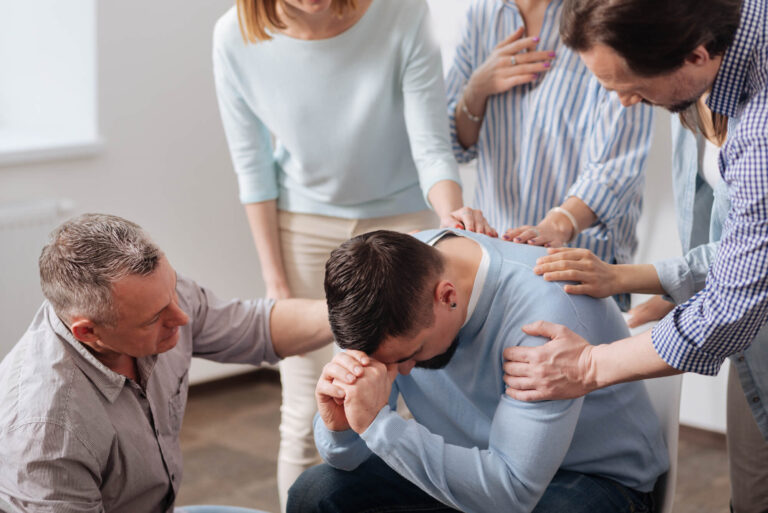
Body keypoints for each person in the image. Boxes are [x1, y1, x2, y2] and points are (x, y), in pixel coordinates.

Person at [212, 1, 493, 505]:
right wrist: (276, 286)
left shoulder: (402, 12)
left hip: (405, 226)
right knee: (305, 412)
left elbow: (431, 144)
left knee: (413, 404)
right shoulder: (234, 37)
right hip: (302, 230)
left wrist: (452, 218)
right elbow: (252, 168)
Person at [501, 1, 768, 510]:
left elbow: (733, 305)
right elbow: (738, 243)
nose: (625, 102)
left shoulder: (760, 125)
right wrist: (662, 292)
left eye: (633, 87)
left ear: (693, 57)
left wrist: (586, 367)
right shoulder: (705, 47)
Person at [287, 229, 668, 513]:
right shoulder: (375, 292)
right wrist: (339, 429)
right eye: (384, 362)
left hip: (590, 478)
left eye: (411, 354)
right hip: (471, 463)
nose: (397, 373)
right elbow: (345, 459)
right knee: (315, 495)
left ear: (447, 297)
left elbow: (512, 492)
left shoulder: (544, 316)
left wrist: (379, 426)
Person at [0, 213, 334, 513]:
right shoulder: (46, 430)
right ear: (88, 331)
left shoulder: (154, 294)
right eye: (155, 318)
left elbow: (254, 326)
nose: (182, 316)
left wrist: (356, 314)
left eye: (174, 292)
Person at [445, 0, 654, 309]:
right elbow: (454, 146)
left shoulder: (608, 13)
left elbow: (618, 166)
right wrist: (477, 90)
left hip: (576, 264)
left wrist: (557, 225)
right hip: (492, 262)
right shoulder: (481, 15)